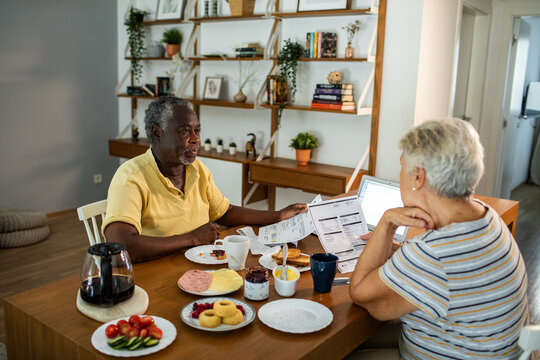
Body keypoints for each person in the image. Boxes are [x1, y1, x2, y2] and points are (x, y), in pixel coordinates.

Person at [348, 118, 528, 359]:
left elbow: (360, 294)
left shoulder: (432, 254)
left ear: (418, 177)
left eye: (401, 167)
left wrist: (387, 221)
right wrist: (403, 256)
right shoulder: (488, 216)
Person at [103, 97, 306, 262]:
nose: (195, 139)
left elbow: (225, 212)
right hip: (153, 275)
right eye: (185, 131)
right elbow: (122, 246)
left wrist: (277, 216)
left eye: (197, 130)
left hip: (198, 265)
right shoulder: (130, 177)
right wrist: (192, 238)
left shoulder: (196, 168)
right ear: (157, 132)